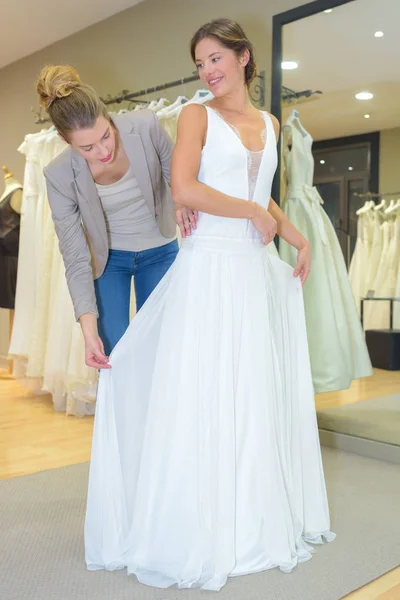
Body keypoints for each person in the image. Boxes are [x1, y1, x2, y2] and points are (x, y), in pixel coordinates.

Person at [84, 19, 335, 591]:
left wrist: (294, 235)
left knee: (250, 390)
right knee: (204, 389)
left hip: (250, 271)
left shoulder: (271, 123)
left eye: (217, 58)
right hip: (208, 265)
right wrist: (252, 215)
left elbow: (260, 188)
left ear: (244, 58)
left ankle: (251, 519)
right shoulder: (196, 114)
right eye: (200, 63)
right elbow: (186, 189)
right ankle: (196, 524)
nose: (208, 71)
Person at [37, 65, 197, 363]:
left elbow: (181, 182)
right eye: (87, 147)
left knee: (165, 350)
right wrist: (87, 329)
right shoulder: (58, 175)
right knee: (115, 356)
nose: (102, 151)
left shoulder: (146, 127)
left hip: (161, 251)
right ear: (64, 140)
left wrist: (181, 202)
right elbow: (75, 256)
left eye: (106, 136)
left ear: (108, 116)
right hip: (109, 262)